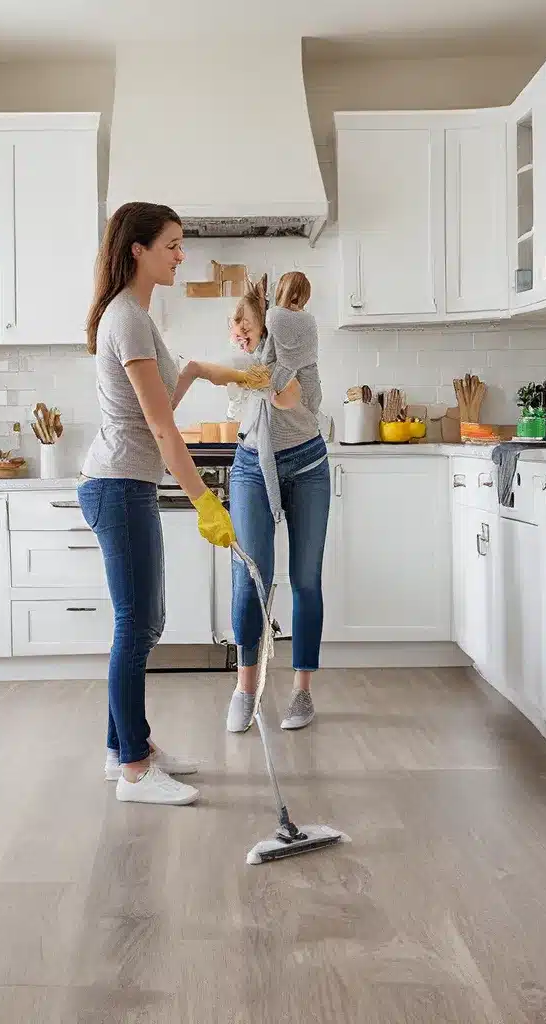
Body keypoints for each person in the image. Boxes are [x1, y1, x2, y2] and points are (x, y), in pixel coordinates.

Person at [78, 202, 258, 807]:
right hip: (118, 483)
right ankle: (134, 770)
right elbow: (160, 429)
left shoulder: (134, 316)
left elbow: (156, 406)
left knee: (144, 622)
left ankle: (126, 749)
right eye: (173, 245)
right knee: (137, 626)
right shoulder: (126, 318)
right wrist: (206, 500)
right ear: (139, 249)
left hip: (126, 482)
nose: (182, 255)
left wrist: (201, 370)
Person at [176, 272, 329, 733]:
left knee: (305, 579)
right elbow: (242, 376)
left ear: (270, 323)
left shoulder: (295, 359)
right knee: (249, 577)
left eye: (244, 321)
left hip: (306, 465)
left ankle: (301, 692)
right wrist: (203, 369)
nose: (237, 330)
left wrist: (208, 369)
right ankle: (245, 689)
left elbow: (282, 395)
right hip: (249, 465)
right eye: (232, 323)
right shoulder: (247, 361)